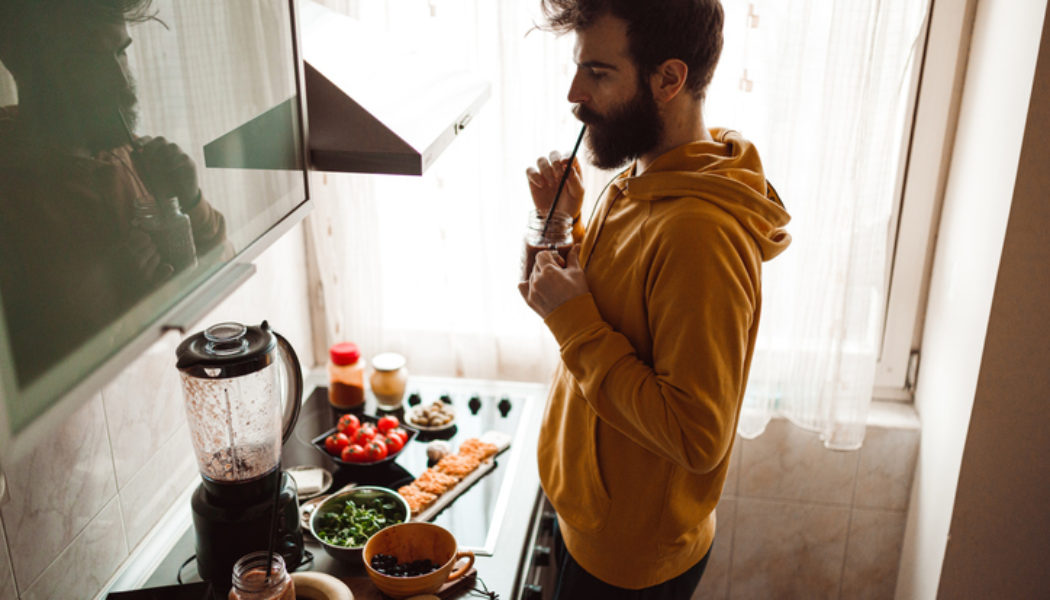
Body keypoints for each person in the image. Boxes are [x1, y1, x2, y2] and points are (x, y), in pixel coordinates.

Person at [518, 1, 791, 597]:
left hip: (627, 561)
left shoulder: (700, 234)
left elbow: (696, 435)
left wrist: (577, 327)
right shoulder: (638, 178)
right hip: (592, 523)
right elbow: (594, 304)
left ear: (669, 79)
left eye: (598, 72)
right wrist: (556, 223)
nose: (574, 93)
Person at [0, 0, 228, 383]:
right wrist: (113, 303)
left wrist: (191, 201)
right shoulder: (12, 192)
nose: (120, 81)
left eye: (121, 53)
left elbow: (221, 268)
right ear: (22, 65)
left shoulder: (132, 156)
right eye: (89, 59)